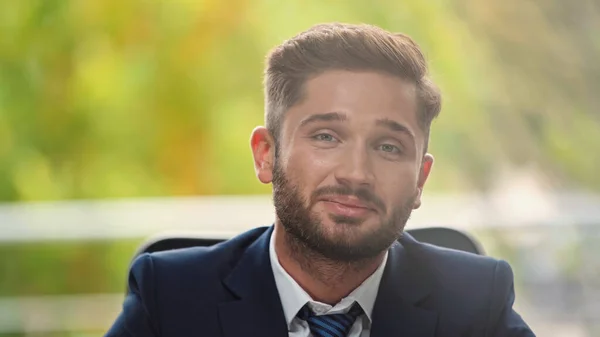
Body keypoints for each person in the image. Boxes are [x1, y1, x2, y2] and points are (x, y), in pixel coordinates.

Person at [105, 22, 535, 337]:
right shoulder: (170, 298)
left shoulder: (477, 301)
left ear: (420, 179)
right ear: (266, 155)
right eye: (326, 136)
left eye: (388, 146)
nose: (355, 173)